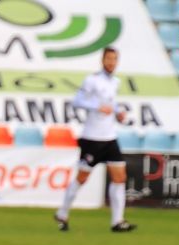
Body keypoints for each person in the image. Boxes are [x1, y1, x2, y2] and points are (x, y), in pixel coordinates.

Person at [55, 47, 136, 233]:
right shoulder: (92, 80)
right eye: (108, 58)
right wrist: (97, 106)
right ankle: (62, 212)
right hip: (92, 138)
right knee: (82, 178)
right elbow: (77, 101)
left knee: (120, 177)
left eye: (114, 59)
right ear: (102, 60)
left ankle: (117, 221)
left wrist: (118, 113)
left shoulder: (115, 82)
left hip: (110, 137)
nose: (111, 62)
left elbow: (110, 103)